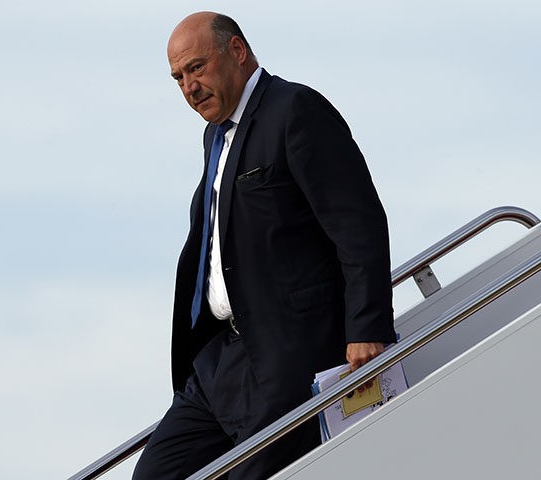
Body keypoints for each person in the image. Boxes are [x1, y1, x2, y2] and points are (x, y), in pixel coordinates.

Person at [133, 11, 396, 479]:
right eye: (178, 78)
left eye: (197, 68)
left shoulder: (294, 109)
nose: (189, 88)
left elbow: (358, 224)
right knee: (155, 473)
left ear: (237, 51)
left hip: (286, 354)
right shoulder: (215, 135)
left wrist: (368, 327)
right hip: (218, 360)